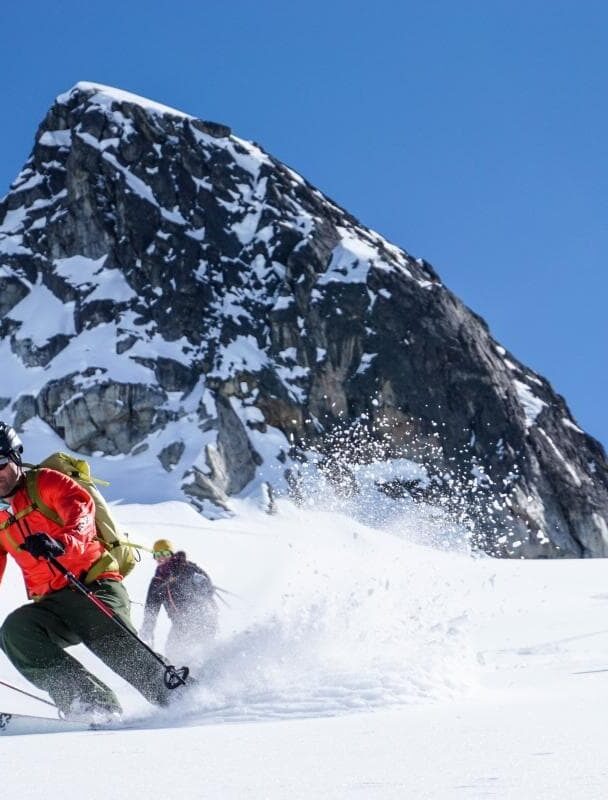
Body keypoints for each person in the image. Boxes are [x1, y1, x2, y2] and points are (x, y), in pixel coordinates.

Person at [0, 422, 186, 721]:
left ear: (16, 457)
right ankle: (90, 703)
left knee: (107, 636)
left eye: (0, 463)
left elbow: (81, 515)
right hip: (51, 605)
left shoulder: (47, 483)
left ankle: (179, 697)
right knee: (16, 633)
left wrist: (59, 543)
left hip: (93, 585)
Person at [140, 539, 218, 667]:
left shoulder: (187, 568)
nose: (161, 558)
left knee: (204, 649)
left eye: (164, 553)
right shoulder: (157, 582)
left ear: (170, 554)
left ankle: (210, 669)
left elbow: (208, 588)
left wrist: (202, 583)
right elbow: (151, 608)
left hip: (201, 618)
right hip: (180, 624)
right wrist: (147, 629)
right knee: (172, 650)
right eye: (157, 555)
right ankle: (180, 676)